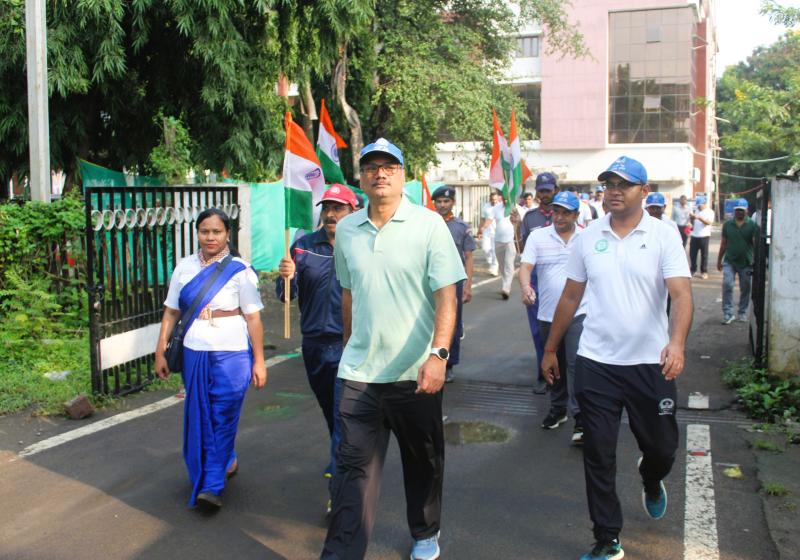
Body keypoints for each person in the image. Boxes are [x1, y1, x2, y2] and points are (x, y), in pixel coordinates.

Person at [541, 156, 693, 560]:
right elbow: (570, 296)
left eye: (624, 184)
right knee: (598, 454)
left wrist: (676, 344)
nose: (614, 191)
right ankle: (607, 538)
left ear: (644, 191)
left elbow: (681, 295)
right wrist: (551, 348)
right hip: (597, 363)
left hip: (650, 363)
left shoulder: (663, 235)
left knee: (662, 449)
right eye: (609, 184)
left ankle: (651, 477)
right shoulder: (589, 237)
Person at [322, 138, 465, 560]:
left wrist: (439, 356)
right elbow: (348, 292)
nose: (380, 173)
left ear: (403, 175)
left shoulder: (429, 225)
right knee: (352, 471)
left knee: (423, 460)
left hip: (415, 372)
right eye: (372, 167)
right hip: (359, 373)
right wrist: (349, 346)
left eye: (389, 167)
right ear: (361, 177)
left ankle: (425, 531)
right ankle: (341, 554)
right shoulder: (348, 230)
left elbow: (447, 296)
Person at [155, 208, 267, 510]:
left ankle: (211, 485)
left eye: (217, 231)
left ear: (227, 234)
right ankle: (224, 460)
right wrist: (160, 351)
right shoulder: (185, 267)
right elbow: (171, 312)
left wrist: (259, 361)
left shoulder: (240, 270)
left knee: (224, 413)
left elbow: (253, 318)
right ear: (197, 233)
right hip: (194, 351)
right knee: (201, 414)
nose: (210, 237)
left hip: (233, 353)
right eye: (205, 231)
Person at [276, 184, 357, 512]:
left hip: (349, 345)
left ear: (353, 211)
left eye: (339, 208)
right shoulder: (303, 246)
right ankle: (342, 457)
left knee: (342, 414)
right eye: (327, 208)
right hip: (313, 345)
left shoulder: (364, 246)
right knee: (330, 411)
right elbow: (285, 297)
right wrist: (286, 277)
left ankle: (338, 490)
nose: (332, 214)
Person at [518, 191, 587, 443]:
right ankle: (558, 409)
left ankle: (581, 418)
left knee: (576, 365)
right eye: (557, 211)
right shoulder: (538, 237)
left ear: (576, 215)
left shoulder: (586, 237)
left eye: (566, 213)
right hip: (547, 314)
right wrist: (526, 287)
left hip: (580, 313)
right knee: (553, 364)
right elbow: (525, 267)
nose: (559, 217)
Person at [518, 172, 559, 394]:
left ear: (555, 190)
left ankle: (563, 376)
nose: (544, 194)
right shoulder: (530, 217)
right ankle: (543, 375)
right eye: (541, 191)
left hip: (560, 278)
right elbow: (522, 250)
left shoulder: (565, 213)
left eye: (548, 190)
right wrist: (516, 226)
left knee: (563, 327)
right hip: (536, 278)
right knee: (538, 330)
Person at [432, 185, 476, 384]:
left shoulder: (461, 227)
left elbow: (469, 257)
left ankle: (449, 364)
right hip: (430, 280)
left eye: (446, 201)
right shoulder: (427, 223)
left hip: (453, 281)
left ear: (453, 203)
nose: (442, 205)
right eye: (439, 201)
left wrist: (468, 285)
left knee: (452, 323)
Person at [718, 198, 758, 324]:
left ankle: (742, 312)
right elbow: (724, 243)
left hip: (746, 262)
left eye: (741, 210)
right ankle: (728, 313)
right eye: (737, 210)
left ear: (746, 210)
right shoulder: (728, 225)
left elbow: (755, 244)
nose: (739, 212)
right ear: (734, 211)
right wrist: (719, 260)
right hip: (729, 260)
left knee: (746, 288)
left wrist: (756, 260)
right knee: (727, 284)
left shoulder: (752, 225)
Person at [490, 190, 517, 300]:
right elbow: (489, 219)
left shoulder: (515, 208)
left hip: (510, 240)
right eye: (504, 198)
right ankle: (505, 283)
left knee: (508, 264)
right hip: (498, 240)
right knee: (502, 265)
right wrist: (482, 228)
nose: (506, 200)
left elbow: (521, 221)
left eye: (507, 198)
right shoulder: (496, 208)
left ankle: (506, 288)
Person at [689, 196, 714, 279]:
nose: (698, 207)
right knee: (692, 254)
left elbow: (708, 223)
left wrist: (699, 218)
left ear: (704, 204)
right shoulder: (696, 210)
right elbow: (693, 223)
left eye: (699, 205)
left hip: (704, 236)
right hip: (694, 235)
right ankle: (693, 269)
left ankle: (704, 271)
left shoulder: (710, 212)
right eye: (697, 205)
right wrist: (692, 219)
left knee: (704, 255)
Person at [478, 189, 502, 276]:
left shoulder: (501, 207)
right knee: (486, 249)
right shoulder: (485, 206)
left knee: (495, 251)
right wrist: (479, 230)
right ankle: (491, 262)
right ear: (490, 199)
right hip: (486, 231)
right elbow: (482, 219)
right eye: (492, 199)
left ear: (498, 199)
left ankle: (494, 268)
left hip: (497, 232)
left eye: (495, 199)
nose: (494, 201)